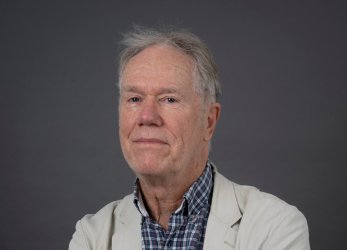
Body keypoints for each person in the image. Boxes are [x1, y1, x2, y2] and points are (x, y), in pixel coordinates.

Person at [68, 26, 310, 250]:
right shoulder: (91, 235)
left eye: (169, 99)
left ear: (209, 121)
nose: (147, 116)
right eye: (134, 99)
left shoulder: (276, 226)